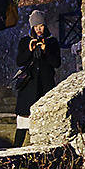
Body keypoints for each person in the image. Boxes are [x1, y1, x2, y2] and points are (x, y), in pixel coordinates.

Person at [14, 9, 62, 146]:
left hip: (45, 86)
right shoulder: (25, 41)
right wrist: (30, 50)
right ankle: (15, 149)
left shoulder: (52, 42)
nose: (38, 29)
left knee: (46, 120)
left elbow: (56, 63)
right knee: (22, 122)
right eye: (35, 26)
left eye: (41, 26)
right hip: (28, 86)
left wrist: (46, 50)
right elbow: (19, 61)